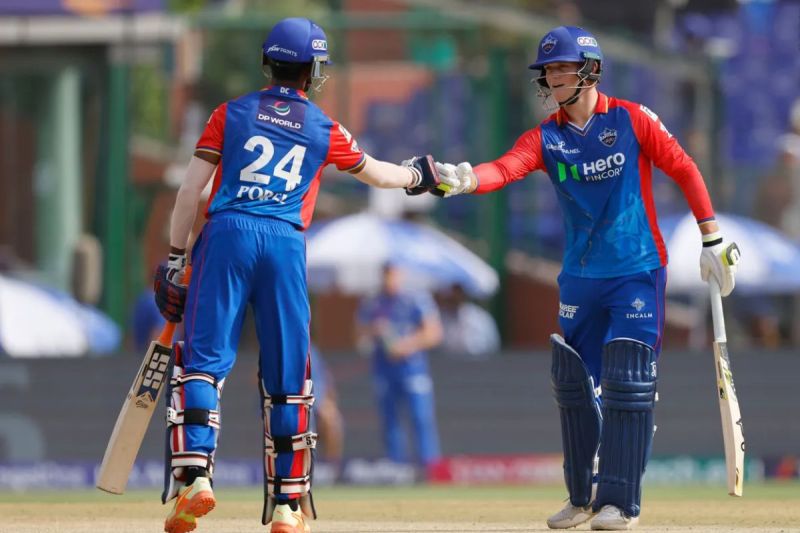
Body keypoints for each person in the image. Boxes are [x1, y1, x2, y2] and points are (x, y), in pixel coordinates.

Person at [428, 26, 740, 530]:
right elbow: (504, 170)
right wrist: (463, 179)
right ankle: (581, 497)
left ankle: (621, 503)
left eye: (562, 68)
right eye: (548, 69)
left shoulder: (631, 119)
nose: (553, 77)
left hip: (636, 268)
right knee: (576, 387)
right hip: (579, 277)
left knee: (628, 381)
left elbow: (684, 168)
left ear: (590, 70)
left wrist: (712, 237)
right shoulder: (546, 137)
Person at [152, 17, 442, 533]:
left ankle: (195, 478)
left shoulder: (229, 113)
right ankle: (287, 506)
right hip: (285, 243)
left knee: (202, 364)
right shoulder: (323, 126)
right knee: (288, 377)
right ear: (314, 71)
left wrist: (177, 258)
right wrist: (419, 174)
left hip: (227, 235)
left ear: (268, 63)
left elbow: (189, 192)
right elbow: (379, 174)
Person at [355, 262, 443, 467]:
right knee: (390, 420)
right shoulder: (372, 302)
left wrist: (407, 345)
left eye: (393, 274)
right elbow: (358, 334)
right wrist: (374, 331)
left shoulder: (416, 298)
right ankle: (396, 467)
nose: (389, 279)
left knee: (420, 417)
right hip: (384, 368)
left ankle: (429, 466)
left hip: (413, 369)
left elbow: (434, 333)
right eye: (386, 274)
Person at [437, 283, 500, 359]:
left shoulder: (480, 317)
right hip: (446, 363)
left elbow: (493, 347)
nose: (452, 296)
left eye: (457, 291)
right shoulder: (437, 318)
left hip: (478, 363)